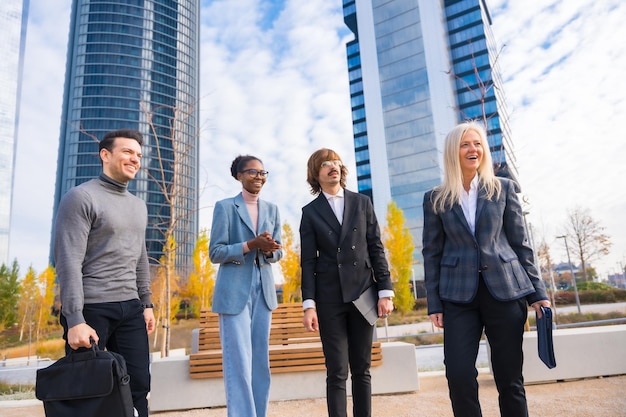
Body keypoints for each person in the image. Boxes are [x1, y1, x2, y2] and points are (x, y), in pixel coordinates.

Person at [422, 121, 551, 417]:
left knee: (510, 379)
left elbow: (521, 244)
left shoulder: (503, 188)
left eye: (478, 143)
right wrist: (434, 302)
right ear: (454, 151)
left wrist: (538, 293)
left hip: (506, 291)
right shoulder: (435, 198)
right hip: (457, 297)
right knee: (458, 375)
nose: (473, 149)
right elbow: (432, 252)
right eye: (466, 144)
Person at [54, 128, 156, 417]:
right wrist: (75, 319)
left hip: (131, 308)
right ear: (105, 155)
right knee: (92, 393)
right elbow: (68, 261)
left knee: (139, 386)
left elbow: (140, 255)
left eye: (138, 154)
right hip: (92, 308)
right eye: (127, 152)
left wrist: (146, 303)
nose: (135, 159)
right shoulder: (81, 197)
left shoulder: (139, 206)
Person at [299, 148, 394, 417]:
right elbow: (307, 262)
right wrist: (309, 305)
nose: (334, 167)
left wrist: (385, 291)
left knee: (362, 369)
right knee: (337, 371)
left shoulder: (362, 202)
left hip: (363, 292)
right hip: (329, 298)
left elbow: (376, 247)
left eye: (337, 162)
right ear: (316, 174)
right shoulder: (310, 212)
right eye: (326, 164)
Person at [209, 155, 283, 417]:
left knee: (260, 362)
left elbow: (278, 253)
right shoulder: (225, 207)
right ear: (239, 175)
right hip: (233, 292)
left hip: (263, 291)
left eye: (263, 172)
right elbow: (215, 252)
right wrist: (250, 245)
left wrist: (271, 249)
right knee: (239, 361)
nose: (259, 177)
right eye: (253, 171)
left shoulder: (272, 209)